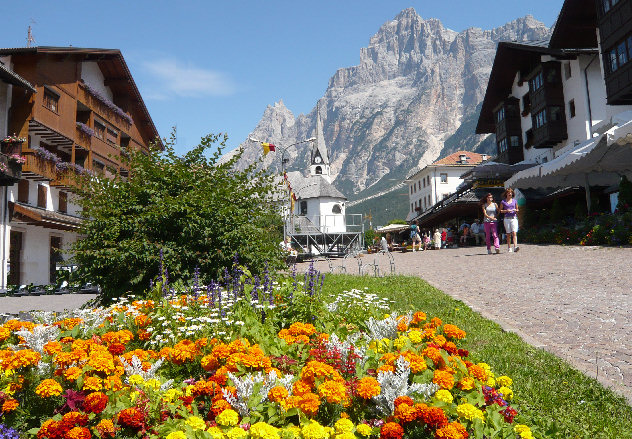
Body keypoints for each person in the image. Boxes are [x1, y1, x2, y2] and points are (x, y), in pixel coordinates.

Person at [500, 187, 520, 253]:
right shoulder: (503, 202)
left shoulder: (515, 201)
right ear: (506, 194)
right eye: (508, 193)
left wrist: (515, 210)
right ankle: (509, 247)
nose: (510, 194)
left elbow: (517, 209)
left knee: (514, 232)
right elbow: (500, 211)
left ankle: (515, 246)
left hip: (514, 218)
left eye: (511, 193)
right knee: (508, 234)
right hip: (506, 219)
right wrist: (506, 210)